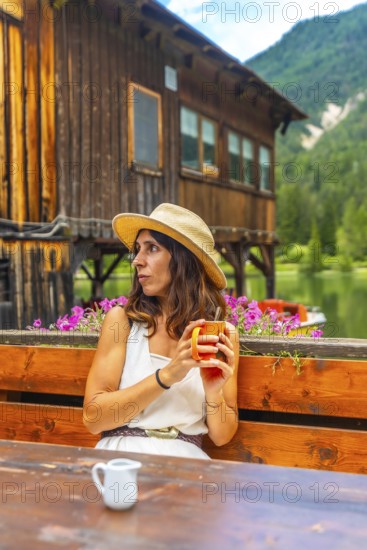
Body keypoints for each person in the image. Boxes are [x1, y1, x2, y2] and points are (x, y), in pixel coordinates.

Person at [83, 203, 239, 459]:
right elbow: (93, 417)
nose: (137, 260)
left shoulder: (220, 333)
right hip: (122, 461)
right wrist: (168, 375)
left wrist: (213, 393)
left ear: (183, 259)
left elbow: (222, 436)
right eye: (138, 249)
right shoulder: (122, 322)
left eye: (152, 248)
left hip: (186, 464)